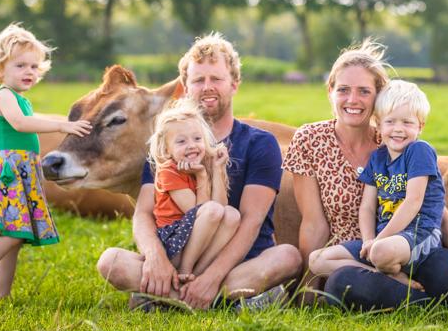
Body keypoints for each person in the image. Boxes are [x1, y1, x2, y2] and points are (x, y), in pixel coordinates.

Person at [284, 39, 448, 306]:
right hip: (356, 258)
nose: (353, 99)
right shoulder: (311, 139)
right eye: (343, 90)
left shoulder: (393, 138)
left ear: (378, 96)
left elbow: (427, 202)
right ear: (330, 91)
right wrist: (307, 291)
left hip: (409, 243)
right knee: (341, 283)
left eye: (364, 91)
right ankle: (425, 301)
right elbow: (313, 223)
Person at [97, 33, 302, 310]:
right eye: (198, 80)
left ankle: (169, 296)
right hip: (176, 258)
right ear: (185, 86)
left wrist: (212, 277)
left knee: (288, 257)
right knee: (111, 261)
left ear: (234, 84)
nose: (207, 87)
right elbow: (143, 212)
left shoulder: (259, 143)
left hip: (240, 263)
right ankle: (228, 300)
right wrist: (155, 258)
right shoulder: (164, 143)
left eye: (216, 79)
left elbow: (252, 221)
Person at [0, 23, 92, 300]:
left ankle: (2, 297)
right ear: (0, 69)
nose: (28, 72)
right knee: (14, 231)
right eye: (20, 66)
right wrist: (61, 127)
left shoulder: (21, 98)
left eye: (33, 66)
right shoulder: (4, 95)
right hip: (6, 170)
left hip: (20, 169)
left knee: (14, 238)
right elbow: (19, 124)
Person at [309, 80, 444, 286]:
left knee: (380, 252)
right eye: (390, 122)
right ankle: (392, 278)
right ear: (379, 125)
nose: (398, 129)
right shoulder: (377, 158)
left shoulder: (419, 151)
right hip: (383, 240)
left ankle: (383, 268)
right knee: (317, 260)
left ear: (420, 126)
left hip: (419, 233)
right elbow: (367, 207)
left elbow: (413, 201)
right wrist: (368, 240)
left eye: (407, 123)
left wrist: (379, 242)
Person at [146, 99, 239, 297]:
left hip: (196, 240)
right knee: (213, 211)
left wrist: (217, 168)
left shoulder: (204, 164)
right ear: (166, 149)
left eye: (197, 139)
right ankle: (184, 270)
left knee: (232, 215)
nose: (191, 146)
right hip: (173, 240)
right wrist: (202, 177)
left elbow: (220, 207)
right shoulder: (168, 171)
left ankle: (196, 273)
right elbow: (199, 211)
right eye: (181, 141)